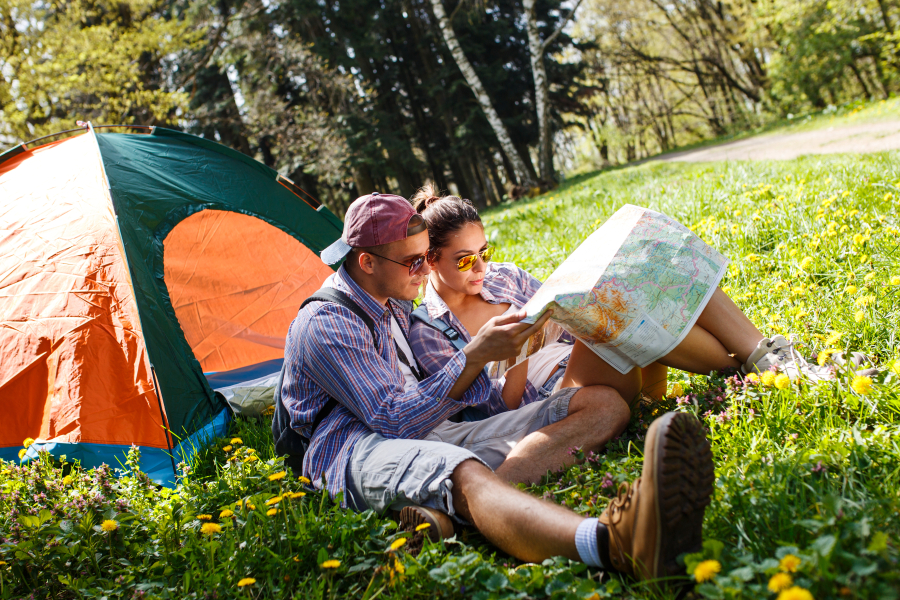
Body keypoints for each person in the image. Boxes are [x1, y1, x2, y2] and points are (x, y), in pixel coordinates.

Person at [276, 191, 714, 584]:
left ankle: (458, 518)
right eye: (412, 262)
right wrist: (475, 355)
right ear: (366, 262)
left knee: (605, 406)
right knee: (462, 471)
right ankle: (611, 542)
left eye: (424, 256)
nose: (423, 269)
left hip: (428, 426)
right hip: (354, 445)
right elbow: (391, 420)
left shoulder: (388, 298)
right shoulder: (326, 323)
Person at [408, 187, 833, 409]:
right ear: (430, 261)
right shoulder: (428, 329)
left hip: (610, 359)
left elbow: (559, 309)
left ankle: (758, 360)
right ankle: (762, 368)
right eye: (464, 262)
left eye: (485, 254)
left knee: (646, 262)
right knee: (609, 315)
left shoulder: (505, 279)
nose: (481, 269)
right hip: (563, 395)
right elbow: (492, 412)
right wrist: (514, 352)